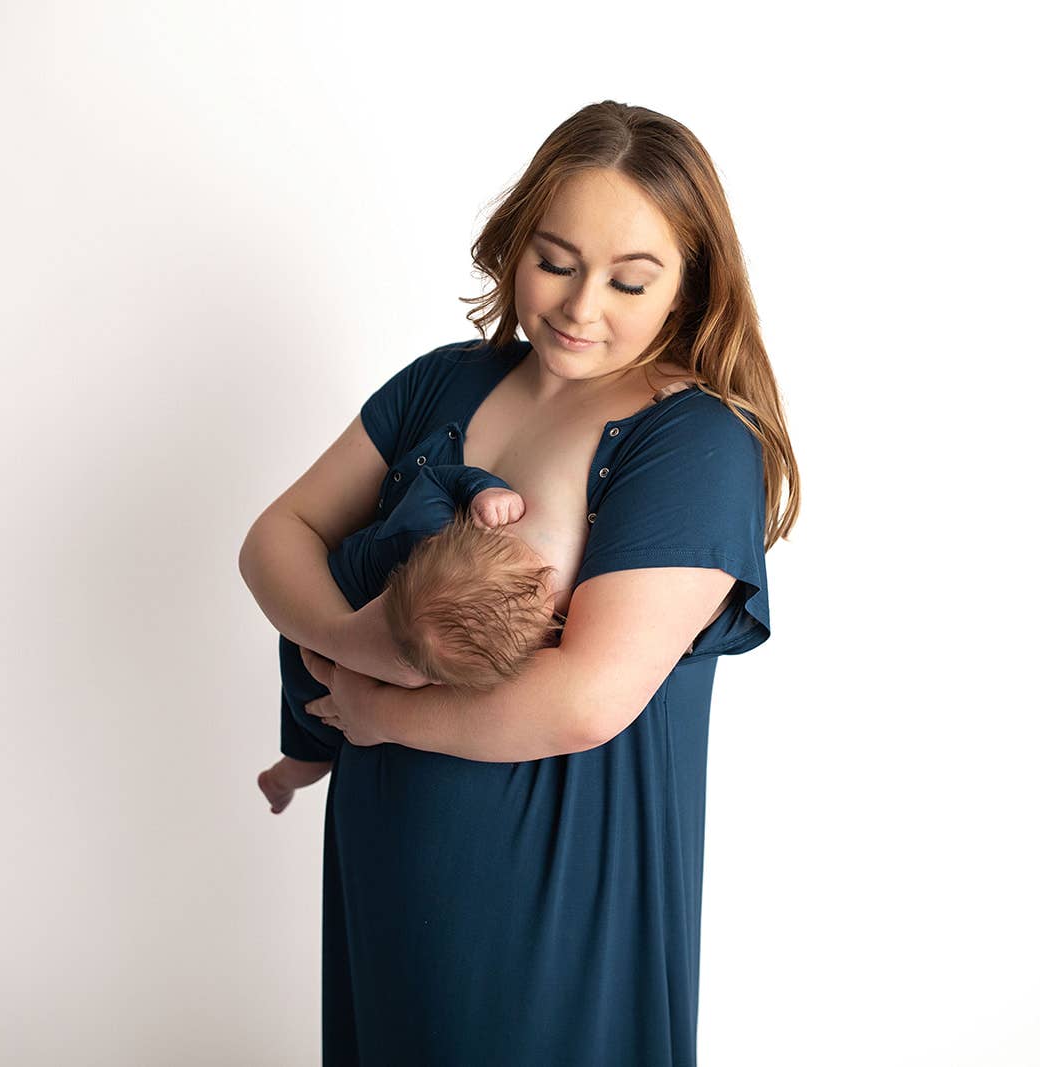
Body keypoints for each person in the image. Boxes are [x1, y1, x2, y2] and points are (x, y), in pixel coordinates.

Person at [239, 100, 801, 1067]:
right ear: (513, 247)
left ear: (690, 284)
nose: (583, 308)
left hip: (558, 895)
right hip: (387, 861)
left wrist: (376, 708)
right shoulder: (442, 383)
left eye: (631, 280)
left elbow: (588, 698)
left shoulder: (697, 442)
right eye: (555, 262)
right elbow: (274, 538)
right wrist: (358, 637)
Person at [257, 462, 566, 815]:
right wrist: (483, 489)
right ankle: (281, 780)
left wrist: (483, 492)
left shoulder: (437, 610)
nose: (552, 590)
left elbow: (440, 478)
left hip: (353, 638)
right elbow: (438, 476)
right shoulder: (422, 521)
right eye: (540, 577)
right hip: (311, 636)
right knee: (311, 751)